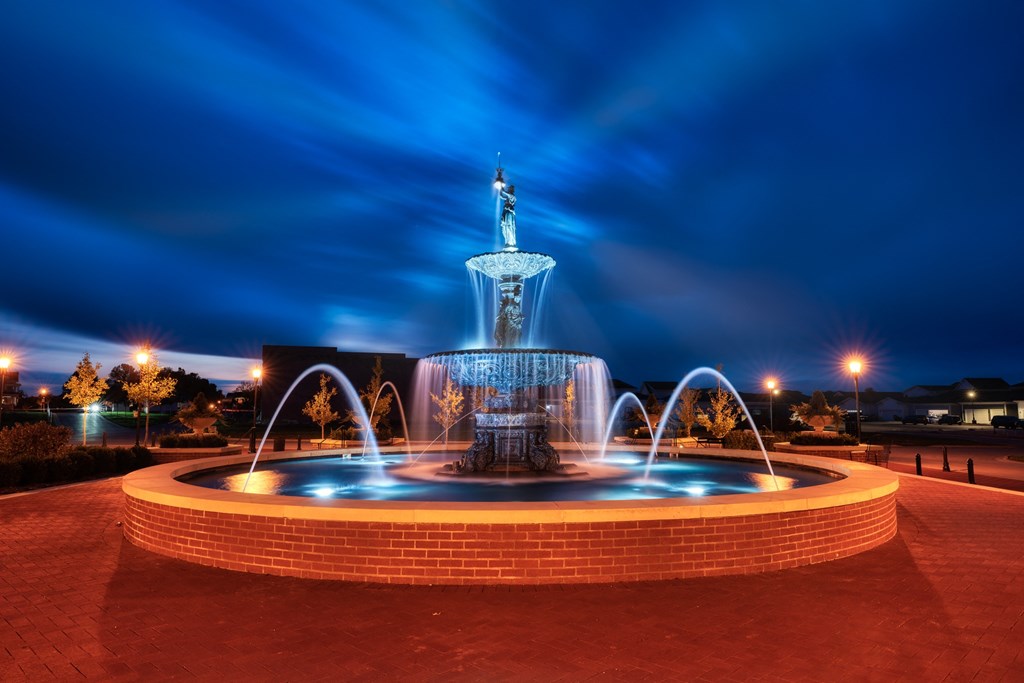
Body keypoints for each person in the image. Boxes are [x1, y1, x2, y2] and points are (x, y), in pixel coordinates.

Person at [499, 184, 517, 248]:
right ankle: (507, 241)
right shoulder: (507, 197)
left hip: (510, 211)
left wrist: (502, 188)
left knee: (509, 225)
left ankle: (511, 241)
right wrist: (500, 189)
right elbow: (501, 196)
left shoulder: (512, 196)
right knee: (505, 225)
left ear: (511, 189)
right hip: (506, 211)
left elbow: (506, 194)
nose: (508, 189)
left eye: (509, 188)